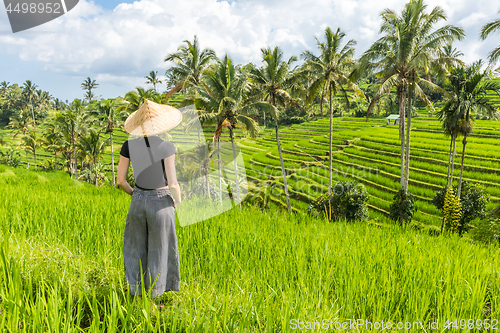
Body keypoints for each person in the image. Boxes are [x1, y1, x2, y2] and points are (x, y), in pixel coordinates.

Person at [116, 99, 183, 311]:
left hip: (137, 200)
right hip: (161, 201)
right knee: (159, 249)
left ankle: (138, 299)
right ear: (160, 124)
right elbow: (172, 183)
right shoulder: (166, 146)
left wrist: (134, 194)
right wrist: (177, 201)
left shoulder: (128, 145)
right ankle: (152, 303)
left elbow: (120, 181)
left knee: (136, 249)